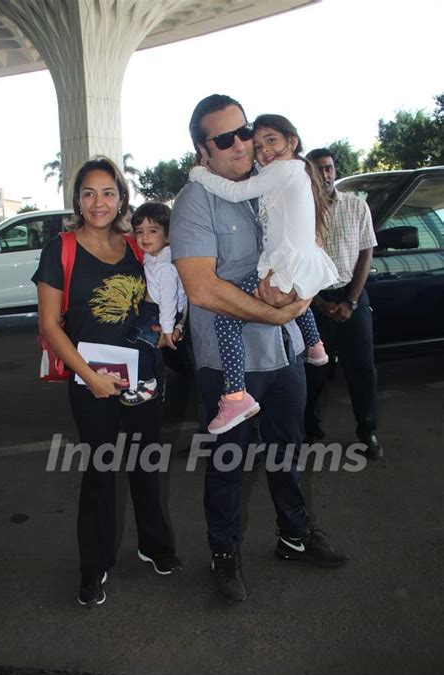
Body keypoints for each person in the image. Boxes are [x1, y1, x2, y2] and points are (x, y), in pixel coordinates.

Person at [170, 95, 348, 603]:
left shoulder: (267, 185)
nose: (241, 143)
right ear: (203, 150)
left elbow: (305, 250)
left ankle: (295, 536)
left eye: (245, 130)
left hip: (284, 351)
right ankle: (223, 553)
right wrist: (275, 312)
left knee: (287, 453)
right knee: (228, 464)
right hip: (229, 366)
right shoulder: (194, 201)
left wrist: (299, 305)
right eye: (225, 138)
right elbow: (202, 289)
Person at [33, 156, 181, 608]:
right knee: (100, 474)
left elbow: (161, 293)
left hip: (143, 375)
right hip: (90, 380)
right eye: (89, 193)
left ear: (122, 197)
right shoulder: (60, 249)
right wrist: (89, 377)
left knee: (146, 465)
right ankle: (93, 567)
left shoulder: (136, 246)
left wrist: (164, 329)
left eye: (109, 192)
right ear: (77, 199)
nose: (99, 202)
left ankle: (153, 546)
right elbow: (51, 326)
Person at [189, 114, 339, 435]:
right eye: (258, 145)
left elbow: (233, 192)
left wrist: (199, 173)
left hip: (283, 267)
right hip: (290, 264)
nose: (262, 150)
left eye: (271, 140)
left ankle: (235, 396)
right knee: (295, 301)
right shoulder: (286, 172)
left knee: (225, 319)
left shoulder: (285, 171)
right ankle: (315, 346)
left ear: (292, 142)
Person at [304, 148, 383, 460]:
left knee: (362, 369)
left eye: (329, 168)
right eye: (318, 169)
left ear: (335, 171)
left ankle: (368, 432)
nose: (325, 174)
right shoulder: (300, 212)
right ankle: (310, 431)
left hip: (352, 296)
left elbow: (366, 254)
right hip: (313, 299)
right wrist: (319, 303)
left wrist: (350, 301)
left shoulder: (356, 206)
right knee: (313, 372)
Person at [119, 202, 187, 406]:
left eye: (153, 231)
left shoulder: (166, 265)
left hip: (161, 312)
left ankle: (147, 383)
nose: (144, 237)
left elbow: (169, 298)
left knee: (140, 344)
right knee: (132, 340)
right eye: (139, 232)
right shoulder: (153, 256)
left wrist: (168, 329)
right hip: (155, 309)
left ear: (168, 235)